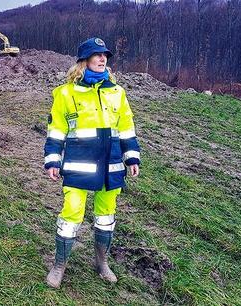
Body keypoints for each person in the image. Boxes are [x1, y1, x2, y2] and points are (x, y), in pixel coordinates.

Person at [43, 37, 141, 289]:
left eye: (105, 55)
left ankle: (101, 262)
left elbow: (126, 126)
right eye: (96, 55)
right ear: (83, 60)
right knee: (71, 214)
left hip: (111, 165)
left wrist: (131, 156)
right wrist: (53, 159)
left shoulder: (117, 92)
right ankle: (59, 266)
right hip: (78, 165)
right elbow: (57, 129)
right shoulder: (65, 93)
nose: (102, 59)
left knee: (106, 216)